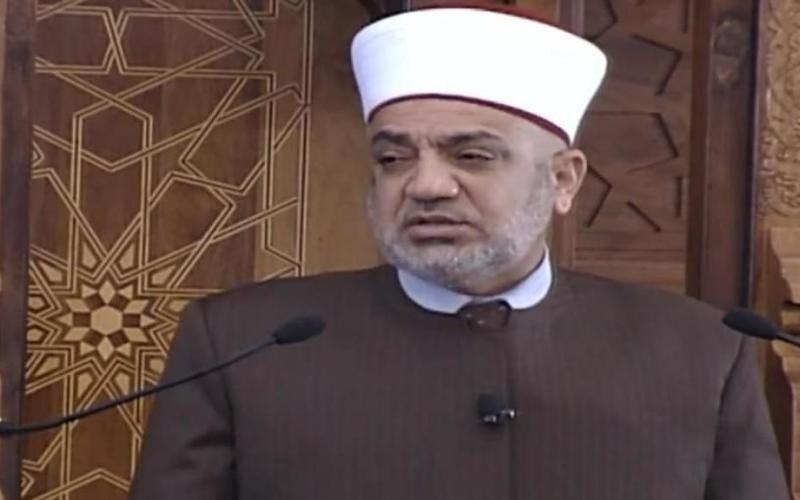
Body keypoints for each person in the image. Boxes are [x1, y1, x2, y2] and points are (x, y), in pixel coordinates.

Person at [129, 5, 790, 500]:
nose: (425, 186)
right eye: (394, 159)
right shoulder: (244, 344)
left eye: (471, 155)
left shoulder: (699, 352)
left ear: (564, 180)